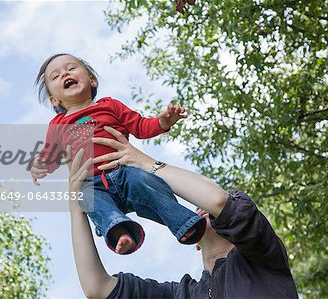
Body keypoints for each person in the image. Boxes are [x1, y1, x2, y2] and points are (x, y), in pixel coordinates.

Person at [61, 126, 299, 298]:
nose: (201, 207)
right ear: (195, 242)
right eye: (197, 208)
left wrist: (144, 163)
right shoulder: (181, 294)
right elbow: (97, 288)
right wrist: (78, 205)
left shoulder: (263, 256)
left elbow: (217, 199)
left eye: (205, 206)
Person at [31, 53, 206, 254]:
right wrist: (40, 166)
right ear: (54, 99)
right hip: (93, 183)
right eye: (55, 76)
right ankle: (120, 231)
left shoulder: (109, 106)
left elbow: (140, 126)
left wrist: (163, 122)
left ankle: (183, 222)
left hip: (125, 172)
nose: (64, 74)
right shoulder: (57, 125)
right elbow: (51, 154)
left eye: (71, 68)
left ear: (92, 80)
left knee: (144, 180)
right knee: (86, 197)